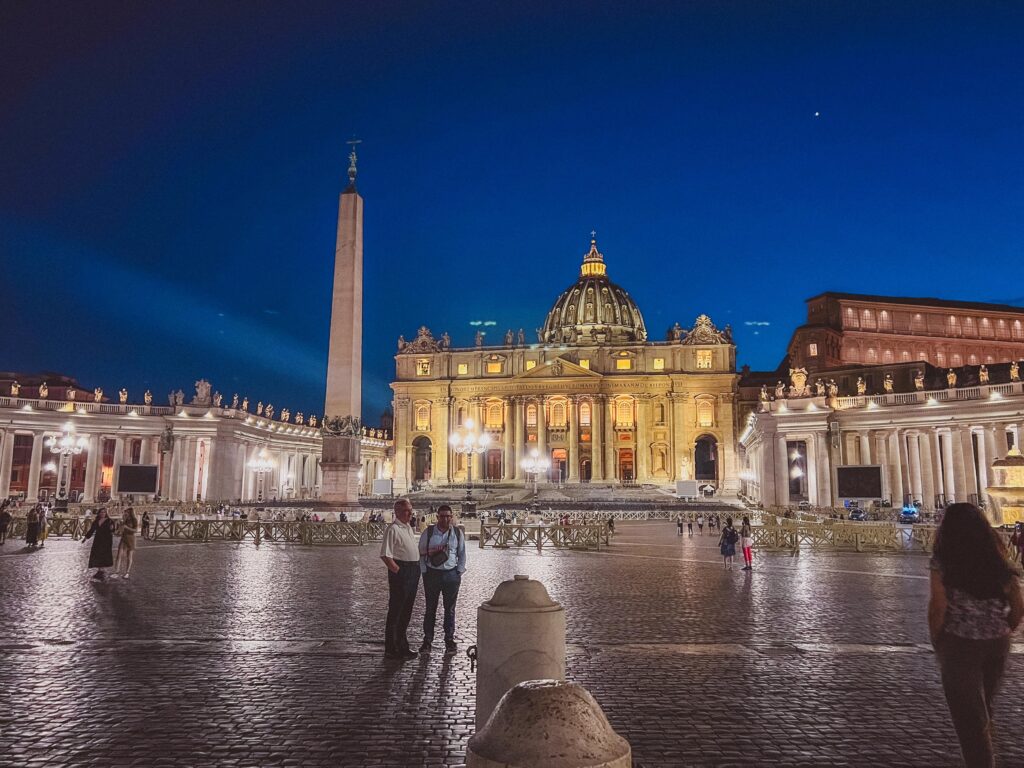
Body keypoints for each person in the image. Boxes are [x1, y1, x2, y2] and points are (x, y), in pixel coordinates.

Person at [929, 503, 1024, 768]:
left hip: (959, 642)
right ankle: (987, 747)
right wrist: (1006, 629)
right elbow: (1017, 600)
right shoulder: (995, 556)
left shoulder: (943, 558)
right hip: (997, 641)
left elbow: (937, 606)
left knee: (967, 713)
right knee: (985, 703)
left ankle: (982, 760)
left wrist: (938, 640)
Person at [418, 504, 467, 655]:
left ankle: (449, 640)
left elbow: (462, 553)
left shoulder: (457, 533)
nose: (445, 519)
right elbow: (421, 552)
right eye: (442, 516)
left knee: (450, 610)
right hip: (432, 574)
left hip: (451, 575)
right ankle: (427, 641)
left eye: (448, 516)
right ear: (437, 517)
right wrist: (424, 572)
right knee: (430, 609)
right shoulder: (429, 532)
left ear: (451, 517)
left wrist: (459, 571)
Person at [380, 498, 421, 660]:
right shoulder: (393, 529)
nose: (410, 513)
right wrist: (398, 570)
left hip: (413, 570)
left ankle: (402, 645)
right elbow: (385, 554)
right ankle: (391, 647)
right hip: (402, 572)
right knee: (396, 611)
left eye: (411, 510)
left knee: (406, 611)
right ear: (397, 512)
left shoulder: (408, 528)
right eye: (406, 511)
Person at [83, 508, 116, 580]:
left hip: (106, 540)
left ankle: (102, 570)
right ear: (99, 513)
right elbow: (92, 530)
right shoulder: (96, 521)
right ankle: (100, 570)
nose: (103, 513)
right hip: (98, 540)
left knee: (103, 554)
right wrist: (86, 538)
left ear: (106, 513)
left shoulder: (109, 521)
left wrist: (112, 529)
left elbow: (113, 530)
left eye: (104, 512)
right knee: (97, 554)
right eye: (101, 512)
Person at [116, 507, 139, 578]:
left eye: (127, 512)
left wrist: (126, 527)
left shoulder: (134, 520)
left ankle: (127, 573)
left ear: (130, 513)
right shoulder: (124, 520)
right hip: (123, 538)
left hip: (131, 539)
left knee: (129, 556)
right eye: (125, 512)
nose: (125, 513)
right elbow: (120, 530)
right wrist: (119, 526)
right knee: (119, 555)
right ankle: (116, 572)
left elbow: (135, 530)